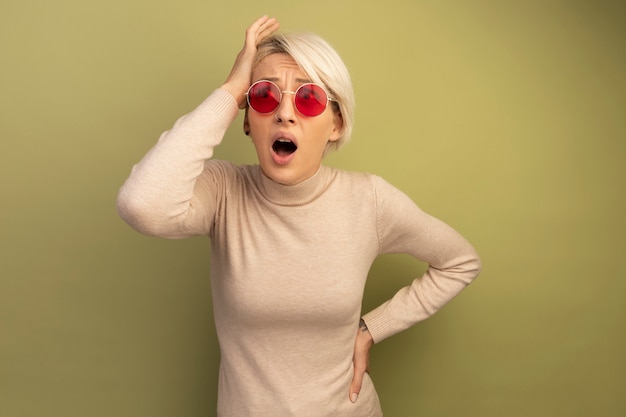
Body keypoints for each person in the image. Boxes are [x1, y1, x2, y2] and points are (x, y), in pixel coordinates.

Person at [117, 15, 481, 417]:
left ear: (336, 125)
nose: (285, 114)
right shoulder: (223, 192)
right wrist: (231, 90)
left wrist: (371, 329)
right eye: (265, 97)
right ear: (246, 120)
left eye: (308, 98)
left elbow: (460, 262)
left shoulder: (369, 200)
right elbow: (141, 205)